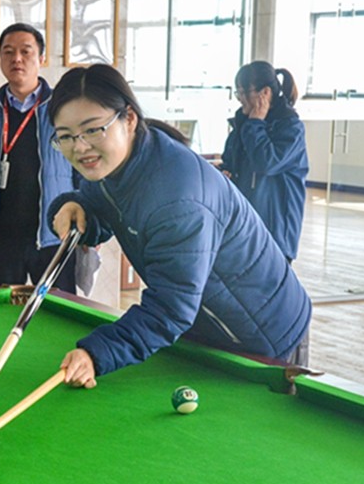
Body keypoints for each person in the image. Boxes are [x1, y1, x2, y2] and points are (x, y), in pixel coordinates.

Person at [46, 65, 312, 389]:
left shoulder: (178, 198)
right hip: (206, 329)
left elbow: (170, 308)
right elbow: (104, 207)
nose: (80, 147)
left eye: (92, 130)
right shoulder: (114, 164)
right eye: (65, 136)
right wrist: (75, 207)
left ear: (129, 119)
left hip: (265, 338)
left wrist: (97, 353)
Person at [0, 22, 77, 292]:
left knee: (59, 310)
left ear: (41, 58)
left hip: (53, 236)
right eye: (8, 52)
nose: (17, 59)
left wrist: (87, 225)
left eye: (26, 51)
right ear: (0, 58)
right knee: (3, 310)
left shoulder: (66, 112)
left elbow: (84, 171)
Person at [219, 61, 309, 262]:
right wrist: (224, 172)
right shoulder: (243, 126)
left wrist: (255, 124)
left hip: (275, 234)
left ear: (265, 93)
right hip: (243, 228)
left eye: (244, 92)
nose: (240, 98)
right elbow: (231, 162)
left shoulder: (290, 128)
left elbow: (266, 163)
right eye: (238, 92)